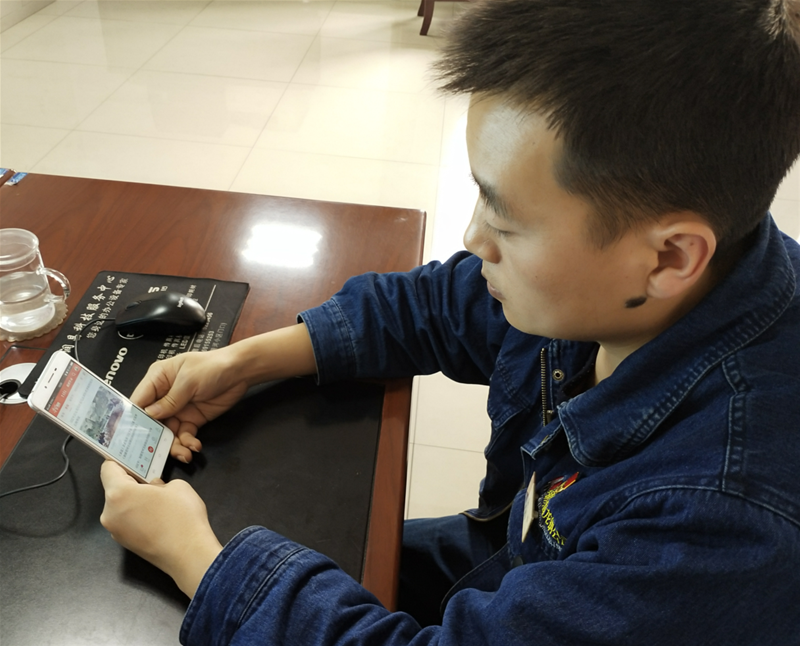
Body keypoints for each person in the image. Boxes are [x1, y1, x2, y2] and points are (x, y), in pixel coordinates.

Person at [98, 0, 800, 643]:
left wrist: (195, 559)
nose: (473, 238)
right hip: (506, 552)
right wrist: (241, 362)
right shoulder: (637, 284)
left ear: (669, 256)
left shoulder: (718, 526)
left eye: (506, 221)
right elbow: (438, 305)